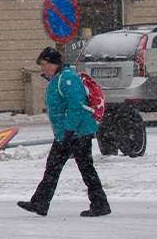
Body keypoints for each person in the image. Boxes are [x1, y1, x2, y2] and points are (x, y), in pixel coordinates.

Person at [19, 45, 111, 216]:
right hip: (66, 133)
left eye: (44, 65)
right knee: (55, 167)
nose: (42, 69)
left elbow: (76, 105)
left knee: (83, 168)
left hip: (77, 132)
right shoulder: (56, 79)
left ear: (53, 63)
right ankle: (40, 203)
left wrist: (69, 130)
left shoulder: (67, 78)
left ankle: (100, 205)